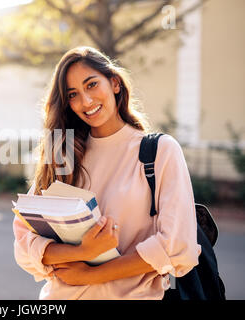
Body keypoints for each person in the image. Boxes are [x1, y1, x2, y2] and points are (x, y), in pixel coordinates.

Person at [12, 46, 201, 300]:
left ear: (114, 83)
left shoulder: (159, 151)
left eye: (91, 85)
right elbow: (24, 245)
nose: (86, 101)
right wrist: (83, 251)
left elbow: (176, 247)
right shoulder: (63, 153)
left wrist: (89, 275)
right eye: (73, 94)